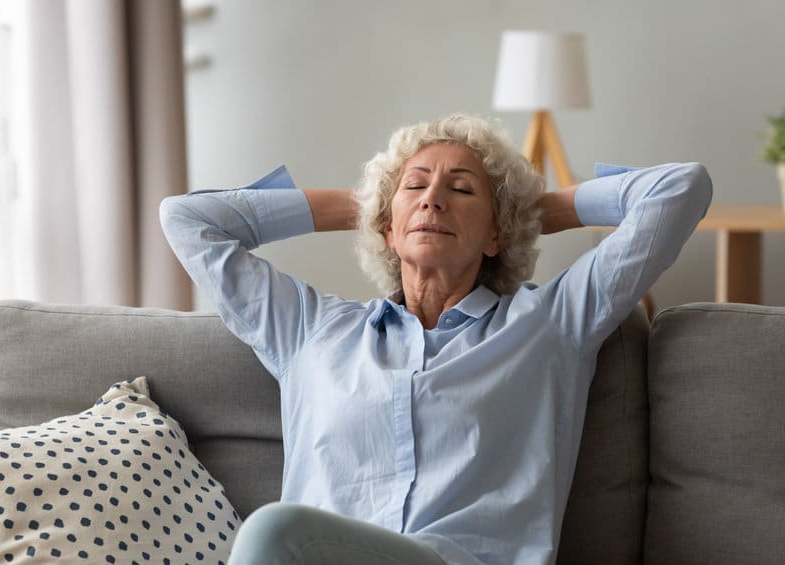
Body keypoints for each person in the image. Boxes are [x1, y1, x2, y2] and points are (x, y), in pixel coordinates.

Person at [160, 113, 712, 565]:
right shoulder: (311, 331)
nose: (433, 200)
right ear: (386, 227)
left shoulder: (549, 325)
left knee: (275, 532)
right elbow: (186, 219)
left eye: (462, 189)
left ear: (496, 234)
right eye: (416, 187)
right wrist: (362, 205)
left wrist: (534, 212)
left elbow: (679, 188)